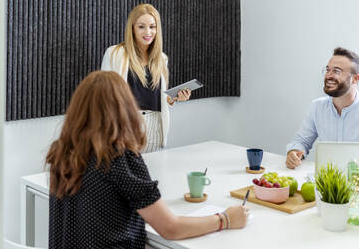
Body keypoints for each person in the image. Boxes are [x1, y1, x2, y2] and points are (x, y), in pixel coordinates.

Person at [46, 71, 248, 249]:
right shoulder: (118, 158)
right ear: (124, 108)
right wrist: (226, 219)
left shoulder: (63, 154)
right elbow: (171, 228)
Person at [286, 47, 359, 171]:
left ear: (356, 78)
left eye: (337, 71)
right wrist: (293, 152)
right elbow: (301, 141)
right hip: (327, 182)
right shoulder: (317, 107)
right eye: (328, 70)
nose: (328, 76)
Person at [101, 3, 191, 153]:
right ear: (132, 28)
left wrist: (174, 98)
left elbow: (157, 98)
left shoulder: (161, 59)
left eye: (152, 26)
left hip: (154, 126)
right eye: (141, 26)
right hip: (126, 125)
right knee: (124, 175)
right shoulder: (114, 54)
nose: (148, 32)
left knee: (153, 173)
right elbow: (102, 95)